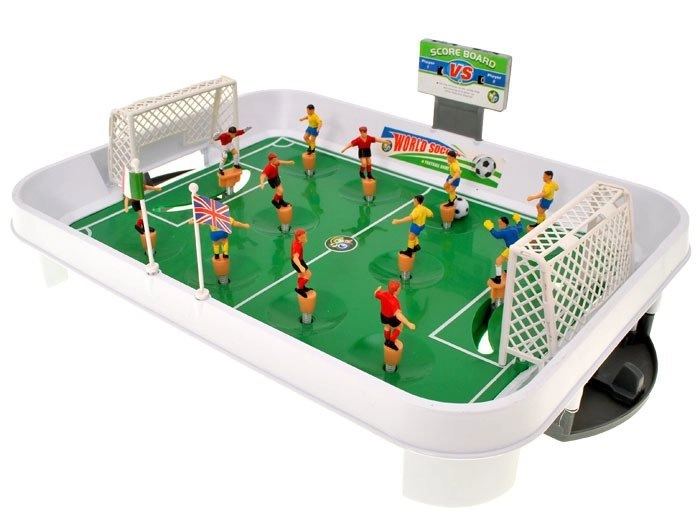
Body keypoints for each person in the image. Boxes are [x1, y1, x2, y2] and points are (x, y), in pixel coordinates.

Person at [374, 280, 415, 351]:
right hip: (391, 317)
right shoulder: (394, 301)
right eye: (399, 289)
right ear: (395, 291)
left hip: (383, 315)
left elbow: (376, 294)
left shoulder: (383, 293)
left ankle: (387, 341)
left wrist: (378, 290)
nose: (400, 290)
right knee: (400, 326)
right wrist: (408, 323)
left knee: (387, 326)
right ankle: (391, 343)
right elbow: (398, 315)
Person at [483, 214, 523, 284]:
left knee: (498, 261)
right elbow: (520, 227)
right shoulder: (514, 228)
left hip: (511, 249)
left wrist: (491, 228)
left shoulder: (504, 232)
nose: (499, 225)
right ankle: (509, 271)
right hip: (516, 247)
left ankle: (498, 279)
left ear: (504, 224)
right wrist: (518, 220)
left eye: (500, 224)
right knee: (508, 259)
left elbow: (496, 235)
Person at [291, 228, 313, 298]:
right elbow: (295, 258)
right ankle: (299, 289)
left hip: (299, 260)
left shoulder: (296, 241)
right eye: (303, 236)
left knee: (300, 275)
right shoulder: (297, 246)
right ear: (299, 237)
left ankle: (301, 287)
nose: (305, 237)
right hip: (298, 262)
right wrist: (300, 266)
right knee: (308, 274)